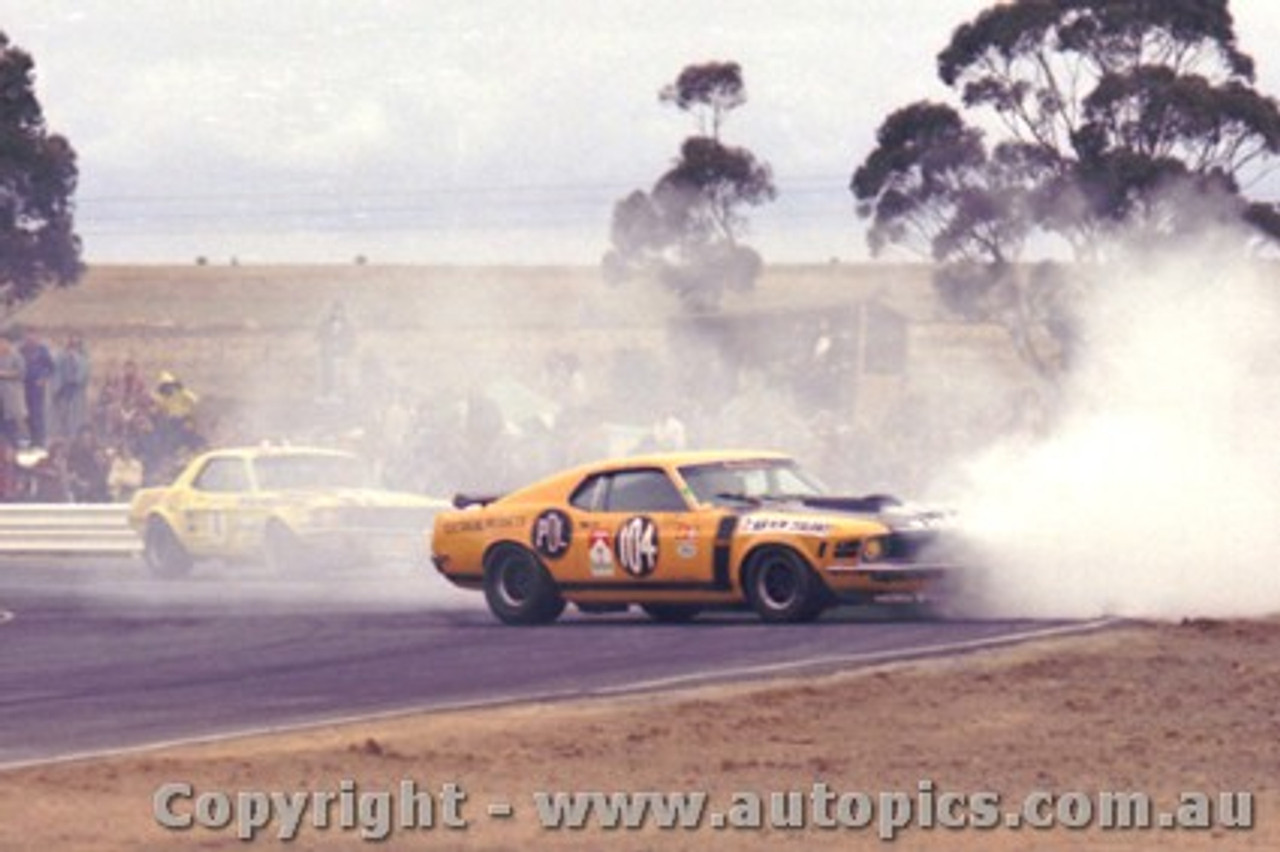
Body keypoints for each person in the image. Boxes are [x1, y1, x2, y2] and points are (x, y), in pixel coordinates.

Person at [52, 334, 91, 440]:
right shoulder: (60, 356)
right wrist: (58, 388)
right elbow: (56, 370)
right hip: (63, 390)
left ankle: (75, 437)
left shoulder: (83, 358)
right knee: (62, 415)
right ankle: (61, 436)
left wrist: (76, 383)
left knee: (76, 416)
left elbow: (83, 373)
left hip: (76, 391)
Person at [19, 330, 55, 447]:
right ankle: (32, 438)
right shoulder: (22, 349)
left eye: (33, 336)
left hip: (37, 386)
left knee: (37, 412)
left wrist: (43, 379)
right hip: (24, 385)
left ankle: (40, 439)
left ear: (37, 337)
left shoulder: (42, 350)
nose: (30, 339)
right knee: (27, 413)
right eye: (28, 337)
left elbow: (51, 367)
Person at [315, 301, 356, 401]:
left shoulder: (347, 325)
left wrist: (342, 347)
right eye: (335, 311)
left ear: (343, 312)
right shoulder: (325, 324)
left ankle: (339, 394)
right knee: (327, 374)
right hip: (327, 355)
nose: (337, 313)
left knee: (339, 375)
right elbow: (318, 336)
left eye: (339, 311)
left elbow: (352, 340)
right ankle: (326, 394)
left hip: (341, 355)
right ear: (332, 312)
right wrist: (327, 343)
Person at [67, 425, 110, 503]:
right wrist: (79, 481)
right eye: (84, 439)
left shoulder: (98, 450)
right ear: (79, 439)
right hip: (80, 486)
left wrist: (101, 462)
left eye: (89, 439)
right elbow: (71, 471)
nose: (87, 442)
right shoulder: (73, 452)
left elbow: (105, 470)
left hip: (97, 487)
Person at [0, 337, 27, 446]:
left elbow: (22, 373)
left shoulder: (16, 356)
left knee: (13, 423)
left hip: (12, 397)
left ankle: (17, 445)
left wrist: (5, 374)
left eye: (3, 342)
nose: (1, 345)